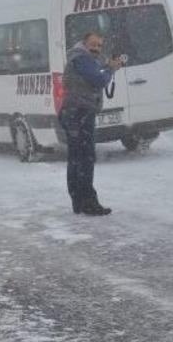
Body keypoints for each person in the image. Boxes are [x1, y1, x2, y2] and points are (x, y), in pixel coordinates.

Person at [59, 32, 123, 216]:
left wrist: (107, 66)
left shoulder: (81, 58)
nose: (96, 48)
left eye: (99, 45)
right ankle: (88, 203)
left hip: (74, 113)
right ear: (84, 43)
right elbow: (99, 79)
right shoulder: (81, 58)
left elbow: (92, 73)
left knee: (76, 158)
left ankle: (78, 201)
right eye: (93, 44)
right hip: (79, 113)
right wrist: (111, 69)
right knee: (85, 159)